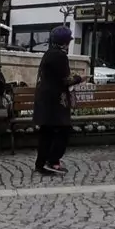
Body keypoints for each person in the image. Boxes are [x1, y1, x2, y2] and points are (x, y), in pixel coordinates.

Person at [33, 26, 82, 176]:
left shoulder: (49, 54)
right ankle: (51, 161)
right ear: (65, 42)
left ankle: (42, 163)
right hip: (55, 102)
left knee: (46, 132)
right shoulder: (60, 56)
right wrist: (79, 78)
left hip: (45, 100)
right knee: (62, 130)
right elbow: (65, 80)